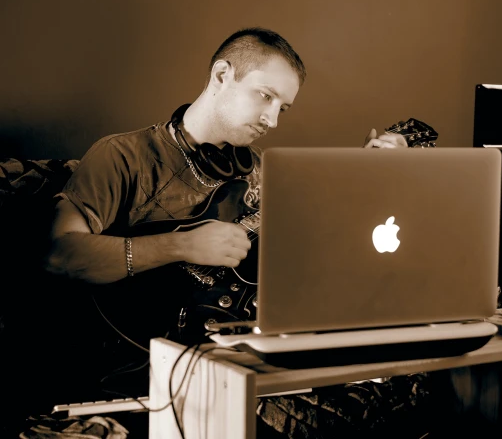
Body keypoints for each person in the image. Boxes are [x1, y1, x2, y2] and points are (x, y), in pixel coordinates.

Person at [36, 27, 433, 439]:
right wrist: (181, 244)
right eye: (265, 96)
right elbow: (60, 256)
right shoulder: (122, 156)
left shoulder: (262, 171)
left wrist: (375, 181)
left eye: (284, 108)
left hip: (243, 359)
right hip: (146, 367)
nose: (272, 119)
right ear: (222, 75)